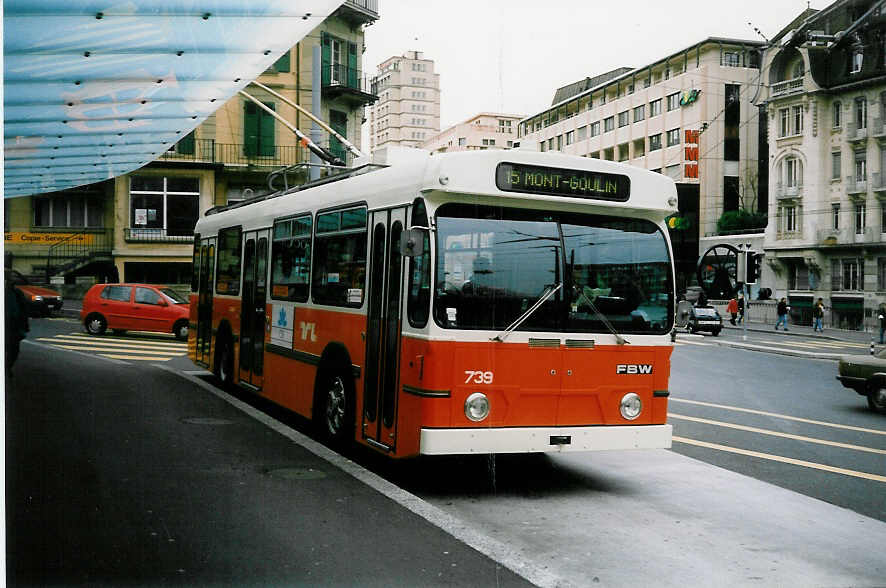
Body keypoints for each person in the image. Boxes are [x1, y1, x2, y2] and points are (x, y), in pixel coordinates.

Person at [5, 278, 30, 375]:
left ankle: (7, 367)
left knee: (14, 350)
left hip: (14, 325)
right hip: (9, 324)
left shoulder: (17, 293)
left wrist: (24, 324)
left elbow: (23, 308)